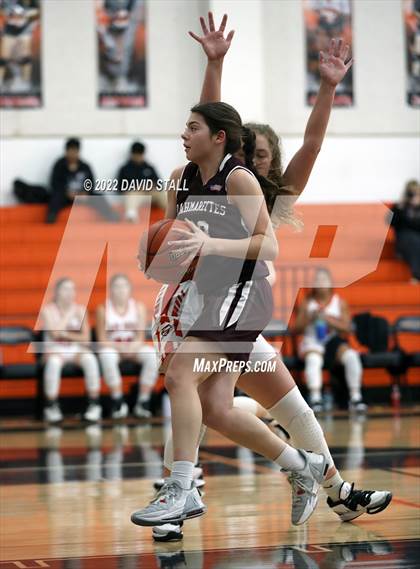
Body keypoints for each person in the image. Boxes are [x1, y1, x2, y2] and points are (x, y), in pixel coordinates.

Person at [137, 13, 391, 541]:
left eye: (258, 154)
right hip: (210, 302)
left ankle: (329, 486)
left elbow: (312, 146)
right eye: (244, 149)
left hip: (239, 304)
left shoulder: (263, 192)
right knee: (210, 402)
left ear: (268, 164)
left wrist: (326, 88)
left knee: (246, 402)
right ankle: (194, 487)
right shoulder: (211, 174)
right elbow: (209, 124)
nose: (248, 158)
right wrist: (215, 63)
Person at [295, 267, 367, 413]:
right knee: (313, 359)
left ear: (331, 282)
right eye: (318, 279)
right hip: (312, 342)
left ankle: (356, 397)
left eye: (324, 279)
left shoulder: (339, 302)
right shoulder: (307, 303)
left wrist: (328, 319)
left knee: (351, 357)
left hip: (333, 343)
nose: (321, 282)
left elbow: (347, 328)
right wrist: (311, 317)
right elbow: (296, 329)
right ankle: (315, 398)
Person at [96, 273, 160, 419]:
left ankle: (143, 401)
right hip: (113, 348)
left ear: (129, 289)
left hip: (133, 347)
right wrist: (119, 348)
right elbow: (101, 339)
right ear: (110, 289)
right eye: (117, 286)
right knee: (107, 355)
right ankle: (117, 400)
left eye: (124, 286)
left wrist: (131, 347)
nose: (120, 290)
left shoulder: (138, 307)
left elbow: (140, 337)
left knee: (152, 355)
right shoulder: (103, 309)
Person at [40, 278, 102, 423]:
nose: (70, 293)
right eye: (65, 289)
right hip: (54, 350)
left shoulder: (81, 310)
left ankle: (94, 404)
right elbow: (54, 334)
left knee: (90, 359)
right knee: (54, 362)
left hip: (75, 350)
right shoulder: (47, 310)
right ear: (56, 292)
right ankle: (51, 406)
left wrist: (65, 334)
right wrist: (69, 314)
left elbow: (86, 339)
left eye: (72, 289)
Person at [46, 138, 119, 224]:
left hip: (82, 196)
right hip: (66, 196)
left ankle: (109, 215)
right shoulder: (59, 165)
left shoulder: (85, 166)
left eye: (75, 151)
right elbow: (54, 183)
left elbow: (91, 183)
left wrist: (85, 193)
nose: (73, 154)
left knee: (98, 197)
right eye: (70, 151)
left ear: (78, 151)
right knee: (55, 197)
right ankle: (51, 216)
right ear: (66, 151)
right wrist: (67, 193)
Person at [117, 141, 165, 222]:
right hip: (136, 195)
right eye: (136, 154)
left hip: (150, 193)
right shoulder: (125, 169)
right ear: (132, 154)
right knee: (132, 194)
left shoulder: (149, 167)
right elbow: (120, 188)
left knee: (164, 193)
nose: (138, 157)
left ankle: (174, 214)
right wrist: (137, 187)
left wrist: (151, 185)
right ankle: (131, 216)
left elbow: (159, 184)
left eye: (140, 154)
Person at [390, 179, 420, 284]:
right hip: (404, 240)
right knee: (414, 240)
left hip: (416, 240)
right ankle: (416, 275)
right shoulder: (400, 207)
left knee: (416, 241)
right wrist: (400, 207)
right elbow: (391, 223)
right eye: (411, 193)